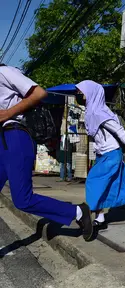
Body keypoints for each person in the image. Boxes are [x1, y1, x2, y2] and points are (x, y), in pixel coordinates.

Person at [0, 65, 93, 241]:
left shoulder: (4, 73)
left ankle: (79, 212)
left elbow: (39, 93)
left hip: (17, 135)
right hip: (2, 139)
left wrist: (8, 113)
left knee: (22, 200)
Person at [75, 80, 125, 230]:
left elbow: (119, 130)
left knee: (94, 182)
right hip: (103, 155)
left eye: (81, 93)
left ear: (91, 94)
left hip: (111, 154)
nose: (79, 96)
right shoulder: (91, 112)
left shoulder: (99, 113)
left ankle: (99, 217)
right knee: (120, 185)